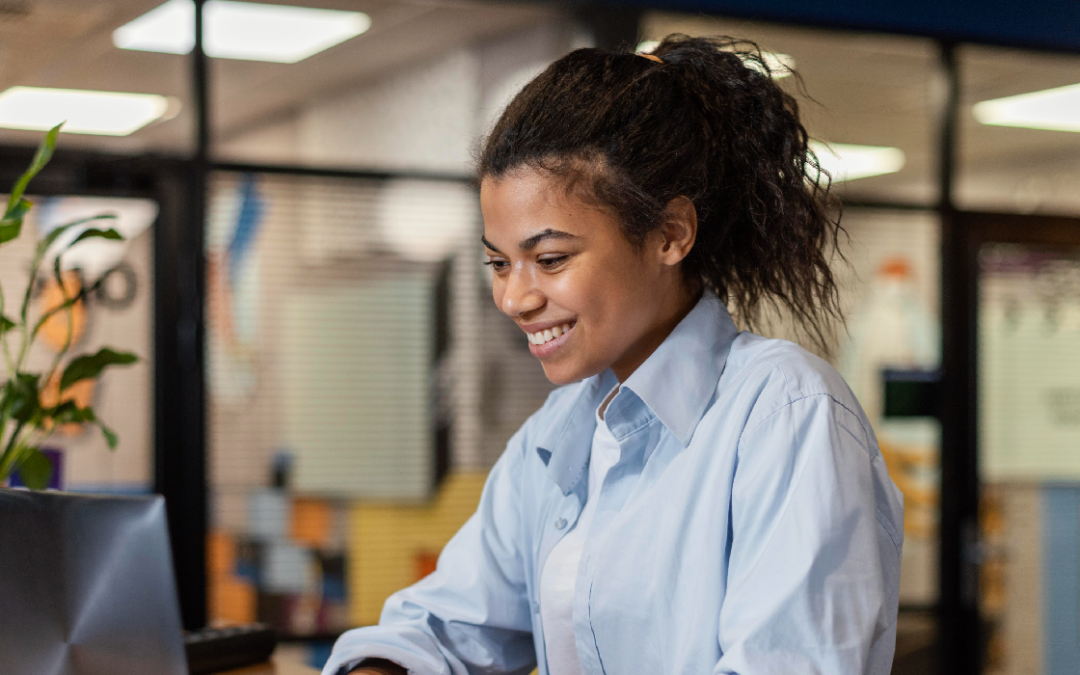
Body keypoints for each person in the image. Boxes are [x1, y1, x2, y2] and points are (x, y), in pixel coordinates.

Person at [324, 35, 903, 675]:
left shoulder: (784, 416)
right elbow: (444, 626)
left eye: (550, 260)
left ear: (670, 234)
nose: (514, 297)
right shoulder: (556, 432)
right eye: (498, 262)